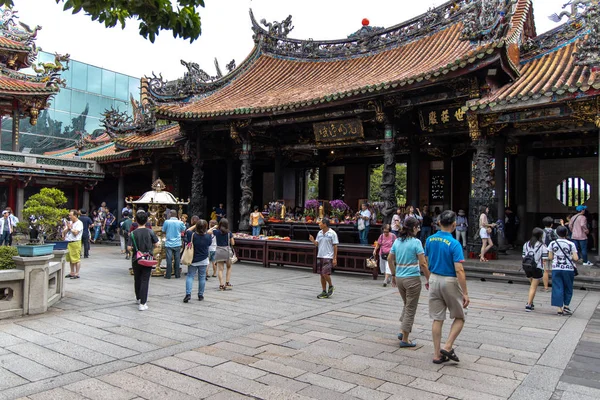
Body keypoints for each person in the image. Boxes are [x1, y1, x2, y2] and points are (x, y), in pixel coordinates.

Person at [425, 210, 469, 364]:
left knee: (437, 318)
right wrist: (465, 292)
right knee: (460, 316)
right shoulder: (455, 244)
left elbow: (425, 260)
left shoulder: (430, 239)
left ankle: (437, 354)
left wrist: (428, 278)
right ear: (454, 224)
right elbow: (459, 269)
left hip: (434, 278)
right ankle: (448, 346)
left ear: (438, 223)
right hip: (449, 280)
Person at [388, 216, 430, 347]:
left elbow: (389, 259)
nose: (418, 229)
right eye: (417, 227)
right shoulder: (416, 242)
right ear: (413, 228)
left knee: (407, 304)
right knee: (411, 308)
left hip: (400, 278)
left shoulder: (398, 241)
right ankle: (405, 339)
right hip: (412, 278)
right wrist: (429, 278)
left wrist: (394, 274)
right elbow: (423, 263)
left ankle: (402, 330)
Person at [128, 211, 159, 311]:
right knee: (145, 280)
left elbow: (129, 247)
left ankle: (138, 297)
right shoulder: (150, 232)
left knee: (137, 278)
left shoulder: (133, 233)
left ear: (136, 220)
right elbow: (157, 244)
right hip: (147, 258)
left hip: (136, 258)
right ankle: (143, 303)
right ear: (147, 220)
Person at [548, 226, 579, 316]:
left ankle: (559, 308)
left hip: (556, 268)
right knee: (568, 287)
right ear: (566, 233)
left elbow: (550, 257)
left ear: (556, 233)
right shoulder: (571, 244)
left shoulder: (552, 243)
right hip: (568, 268)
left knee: (557, 287)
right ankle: (566, 305)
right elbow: (576, 258)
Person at [183, 219, 214, 303]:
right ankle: (200, 295)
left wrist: (196, 225)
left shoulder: (192, 235)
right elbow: (209, 244)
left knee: (190, 276)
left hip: (193, 259)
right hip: (203, 259)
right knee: (202, 277)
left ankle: (188, 294)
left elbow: (187, 230)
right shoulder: (208, 236)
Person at [309, 218, 338, 299]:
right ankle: (324, 291)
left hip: (328, 256)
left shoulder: (332, 233)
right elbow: (317, 244)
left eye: (320, 223)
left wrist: (335, 258)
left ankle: (331, 285)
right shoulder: (319, 233)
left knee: (325, 273)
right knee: (322, 275)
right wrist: (312, 240)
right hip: (320, 255)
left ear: (325, 224)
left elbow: (335, 245)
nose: (319, 224)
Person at [522, 228, 548, 311]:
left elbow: (523, 256)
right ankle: (529, 304)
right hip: (537, 268)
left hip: (527, 267)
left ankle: (531, 302)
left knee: (532, 285)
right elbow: (544, 259)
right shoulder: (542, 246)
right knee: (533, 287)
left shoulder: (526, 244)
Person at [162, 210, 186, 279]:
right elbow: (183, 229)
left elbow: (163, 230)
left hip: (169, 243)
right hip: (177, 242)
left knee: (169, 259)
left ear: (170, 214)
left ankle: (168, 274)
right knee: (177, 259)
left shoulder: (167, 222)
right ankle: (177, 274)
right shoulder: (180, 222)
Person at [214, 218, 235, 291]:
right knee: (229, 267)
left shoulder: (216, 232)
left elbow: (208, 231)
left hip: (219, 250)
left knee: (220, 269)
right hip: (227, 251)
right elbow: (233, 243)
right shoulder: (229, 233)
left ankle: (221, 285)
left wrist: (215, 227)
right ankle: (227, 282)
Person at [64, 210, 83, 279]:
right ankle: (72, 272)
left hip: (75, 242)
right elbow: (64, 232)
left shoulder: (79, 223)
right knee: (70, 259)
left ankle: (77, 273)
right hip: (68, 242)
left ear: (75, 216)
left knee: (76, 259)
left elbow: (76, 233)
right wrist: (67, 228)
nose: (69, 217)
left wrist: (70, 228)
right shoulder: (70, 223)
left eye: (70, 215)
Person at [541, 217, 558, 292]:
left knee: (546, 270)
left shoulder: (541, 232)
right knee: (554, 270)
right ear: (551, 224)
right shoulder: (555, 231)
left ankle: (546, 287)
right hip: (554, 253)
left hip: (544, 252)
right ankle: (556, 286)